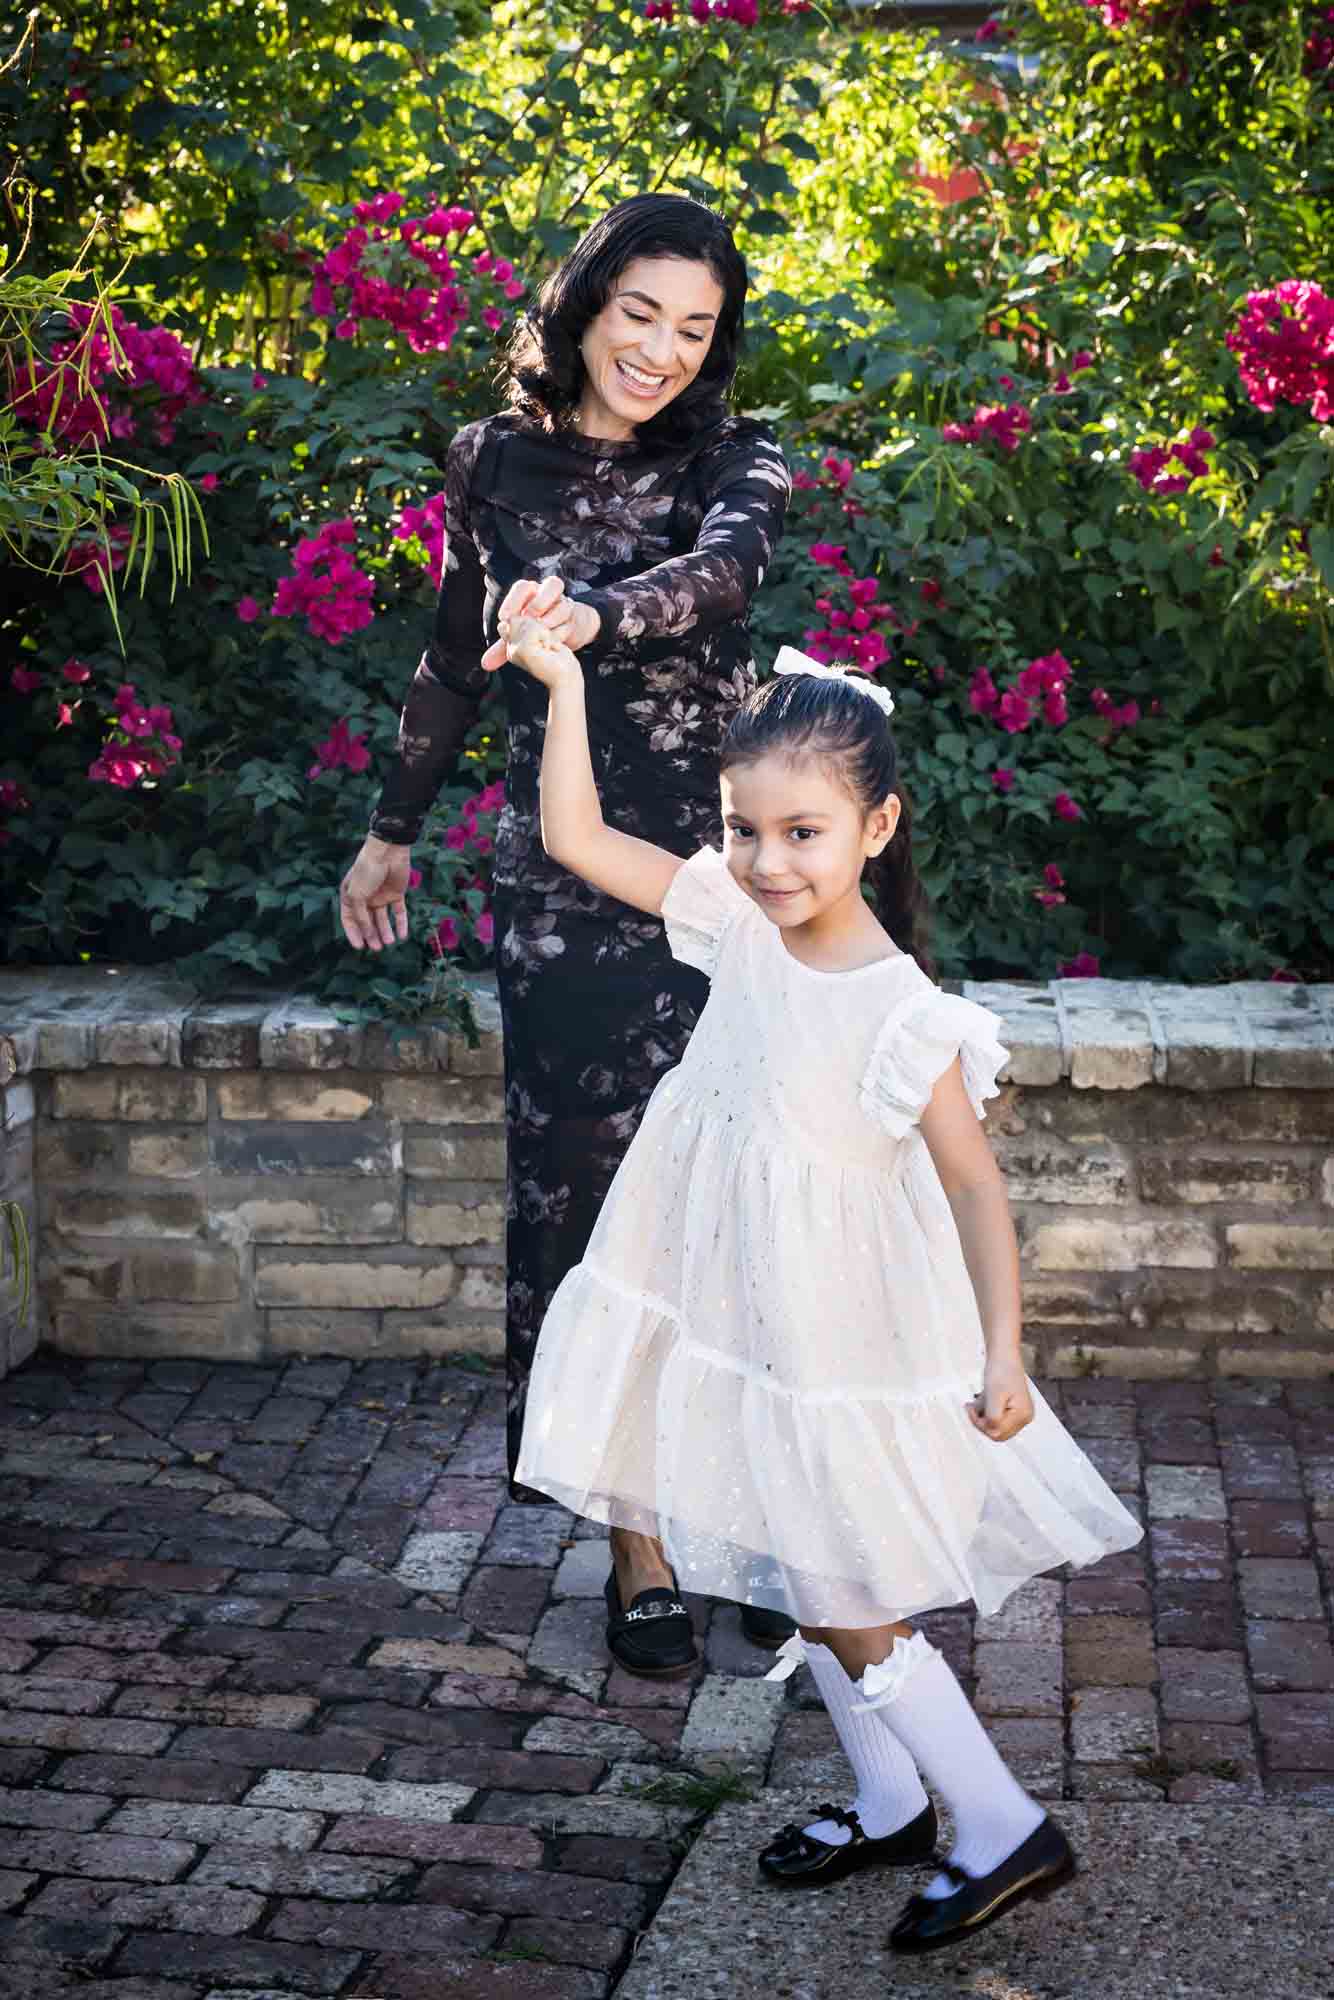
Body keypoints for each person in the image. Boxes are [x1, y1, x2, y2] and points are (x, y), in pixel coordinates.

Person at [498, 613, 1143, 1955]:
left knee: (846, 1582)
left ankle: (997, 1822)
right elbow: (576, 837)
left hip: (836, 1324)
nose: (766, 859)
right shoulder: (736, 922)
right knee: (795, 1556)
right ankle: (893, 1795)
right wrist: (561, 685)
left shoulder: (904, 1011)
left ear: (875, 825)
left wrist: (1003, 1352)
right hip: (733, 1298)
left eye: (801, 832)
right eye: (746, 829)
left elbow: (973, 1189)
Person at [337, 193, 794, 1665]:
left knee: (750, 1204)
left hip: (737, 881)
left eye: (694, 325)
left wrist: (585, 620)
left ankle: (762, 1514)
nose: (661, 348)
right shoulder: (492, 461)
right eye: (639, 312)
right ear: (587, 302)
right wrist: (391, 824)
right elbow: (450, 651)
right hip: (571, 881)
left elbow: (720, 578)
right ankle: (640, 1549)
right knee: (593, 1215)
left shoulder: (736, 456)